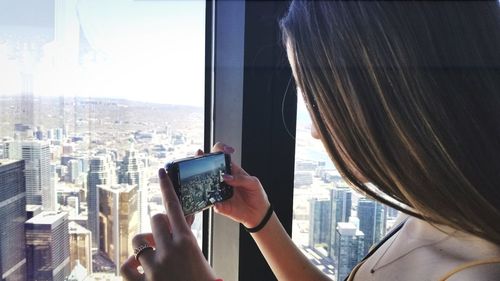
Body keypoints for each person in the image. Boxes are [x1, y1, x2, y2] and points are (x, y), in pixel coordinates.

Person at [120, 1, 500, 280]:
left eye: (316, 97)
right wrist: (261, 220)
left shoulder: (476, 273)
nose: (316, 130)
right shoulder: (436, 211)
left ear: (385, 93)